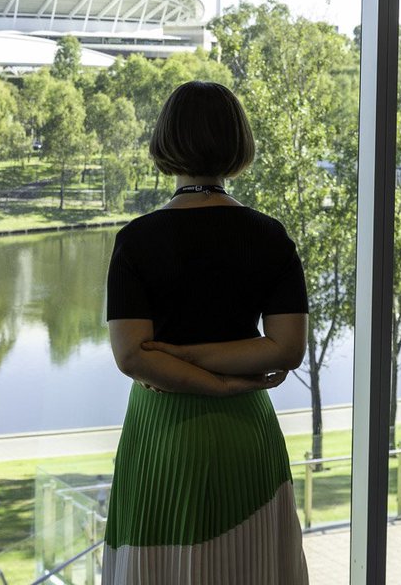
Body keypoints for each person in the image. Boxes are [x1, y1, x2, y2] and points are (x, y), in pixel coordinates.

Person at [102, 80, 310, 584]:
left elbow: (133, 357)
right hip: (246, 426)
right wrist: (223, 383)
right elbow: (286, 349)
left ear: (166, 145)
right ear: (237, 146)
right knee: (254, 563)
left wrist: (177, 358)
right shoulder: (269, 234)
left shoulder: (136, 240)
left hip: (162, 429)